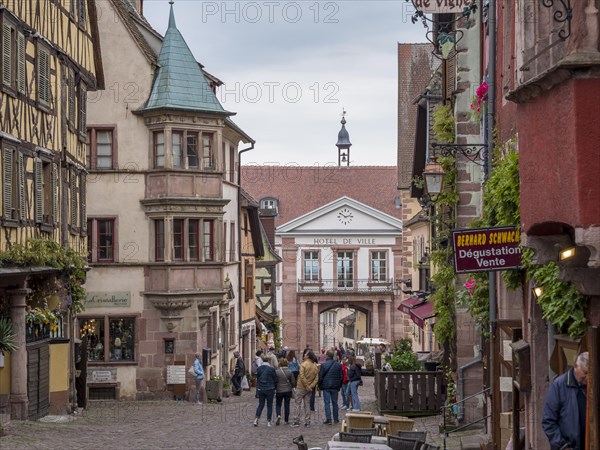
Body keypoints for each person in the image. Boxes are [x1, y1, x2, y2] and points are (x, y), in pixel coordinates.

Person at [542, 352, 589, 450]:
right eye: (585, 373)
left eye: (591, 373)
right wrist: (562, 446)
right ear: (576, 366)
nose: (588, 378)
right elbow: (548, 420)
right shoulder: (558, 386)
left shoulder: (592, 386)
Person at [291, 350, 318, 427]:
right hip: (309, 389)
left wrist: (306, 385)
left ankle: (296, 421)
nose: (304, 355)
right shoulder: (314, 366)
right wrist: (311, 386)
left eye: (305, 354)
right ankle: (307, 421)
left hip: (301, 387)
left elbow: (302, 376)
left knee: (297, 404)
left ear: (308, 356)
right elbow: (316, 379)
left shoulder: (303, 364)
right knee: (307, 404)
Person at [318, 349, 343, 424]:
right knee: (335, 403)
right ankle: (336, 418)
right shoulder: (338, 365)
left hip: (326, 386)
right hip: (335, 386)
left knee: (327, 403)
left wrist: (320, 386)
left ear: (327, 356)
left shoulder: (324, 365)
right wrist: (339, 385)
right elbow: (341, 377)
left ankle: (328, 418)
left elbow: (320, 376)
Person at [254, 354, 277, 427]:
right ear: (269, 361)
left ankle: (256, 419)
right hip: (270, 388)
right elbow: (275, 379)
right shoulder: (272, 369)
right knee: (269, 405)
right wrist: (275, 387)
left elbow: (257, 378)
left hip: (261, 388)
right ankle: (268, 421)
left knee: (261, 404)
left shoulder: (259, 369)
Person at [275, 357, 295, 425]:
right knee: (287, 405)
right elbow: (293, 382)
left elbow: (275, 381)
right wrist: (292, 387)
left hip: (279, 390)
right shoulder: (290, 371)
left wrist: (275, 387)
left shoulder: (277, 372)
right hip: (288, 390)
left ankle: (278, 415)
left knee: (278, 404)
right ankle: (286, 420)